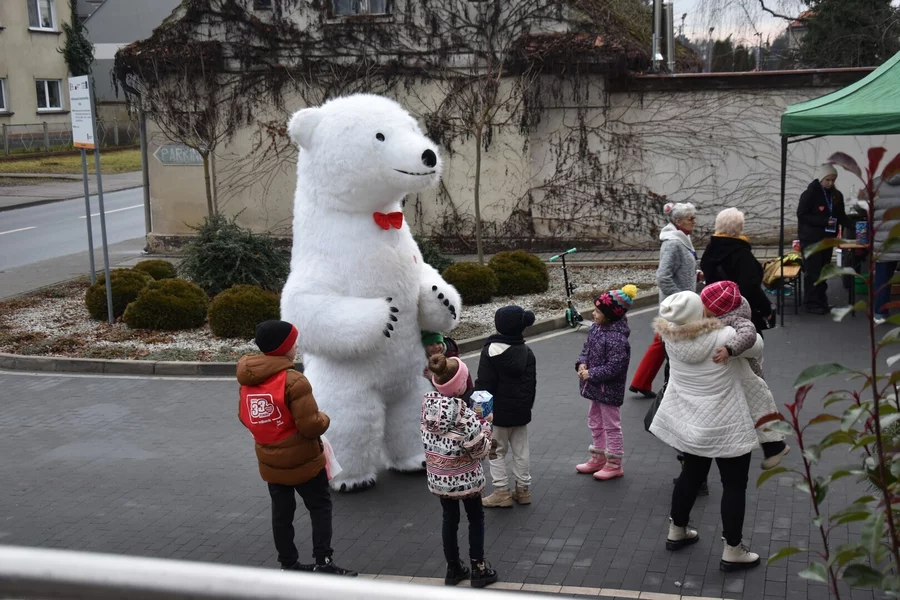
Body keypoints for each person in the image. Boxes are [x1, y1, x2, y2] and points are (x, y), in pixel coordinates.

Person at [649, 292, 762, 572]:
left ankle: (677, 530)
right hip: (728, 424)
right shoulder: (725, 336)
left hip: (693, 423)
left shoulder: (669, 337)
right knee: (734, 485)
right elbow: (756, 343)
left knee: (690, 475)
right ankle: (733, 550)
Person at [237, 320, 356, 576]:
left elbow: (245, 418)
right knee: (320, 506)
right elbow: (311, 426)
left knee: (282, 514)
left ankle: (288, 564)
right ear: (283, 347)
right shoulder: (294, 380)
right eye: (293, 342)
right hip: (303, 460)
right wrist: (325, 418)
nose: (296, 346)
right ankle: (323, 561)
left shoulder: (248, 379)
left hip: (270, 460)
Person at [424, 354, 499, 588]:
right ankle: (478, 567)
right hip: (466, 478)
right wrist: (486, 425)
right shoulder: (464, 415)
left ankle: (453, 568)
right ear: (460, 386)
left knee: (449, 519)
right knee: (475, 517)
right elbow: (480, 450)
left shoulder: (428, 408)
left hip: (440, 477)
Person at [700, 281, 790, 470]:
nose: (700, 307)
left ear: (717, 308)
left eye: (704, 304)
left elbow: (749, 334)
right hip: (738, 374)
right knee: (755, 410)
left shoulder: (736, 319)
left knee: (757, 409)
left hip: (748, 373)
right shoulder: (724, 314)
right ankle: (775, 447)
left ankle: (775, 447)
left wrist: (729, 349)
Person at [630, 202, 700, 398]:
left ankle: (641, 381)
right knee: (666, 341)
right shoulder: (673, 243)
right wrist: (680, 298)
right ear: (678, 221)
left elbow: (680, 269)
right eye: (690, 219)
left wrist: (696, 274)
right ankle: (651, 383)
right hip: (676, 305)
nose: (694, 222)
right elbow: (663, 276)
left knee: (661, 340)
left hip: (678, 303)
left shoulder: (682, 238)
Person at [476, 306, 537, 508]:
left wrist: (481, 412)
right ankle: (523, 489)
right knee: (521, 451)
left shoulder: (490, 351)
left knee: (495, 451)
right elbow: (531, 385)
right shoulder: (527, 352)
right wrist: (526, 408)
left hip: (497, 415)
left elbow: (484, 385)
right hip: (521, 413)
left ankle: (501, 491)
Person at [575, 286, 636, 480]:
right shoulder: (596, 328)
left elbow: (614, 367)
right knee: (594, 421)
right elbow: (586, 349)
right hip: (595, 386)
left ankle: (614, 463)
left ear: (610, 316)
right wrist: (582, 363)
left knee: (611, 426)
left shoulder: (618, 339)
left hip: (608, 390)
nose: (593, 314)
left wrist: (591, 374)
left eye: (598, 311)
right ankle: (599, 456)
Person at [701, 208, 773, 332]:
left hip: (714, 309)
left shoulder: (710, 249)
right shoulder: (742, 253)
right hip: (739, 312)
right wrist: (766, 309)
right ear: (739, 228)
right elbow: (752, 286)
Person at [797, 164, 850, 315]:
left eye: (833, 180)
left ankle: (821, 300)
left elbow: (841, 216)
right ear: (821, 178)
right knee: (813, 271)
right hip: (811, 239)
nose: (831, 183)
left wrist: (854, 224)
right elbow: (802, 215)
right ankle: (811, 302)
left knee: (823, 270)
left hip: (828, 239)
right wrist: (824, 221)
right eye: (828, 180)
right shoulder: (809, 194)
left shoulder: (836, 195)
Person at [871, 177, 900, 321]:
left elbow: (860, 205)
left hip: (883, 241)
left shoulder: (876, 183)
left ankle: (880, 314)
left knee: (882, 279)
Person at [422, 331, 473, 401]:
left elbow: (464, 377)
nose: (436, 347)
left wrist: (434, 377)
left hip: (458, 395)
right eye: (431, 344)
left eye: (438, 343)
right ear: (425, 347)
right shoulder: (422, 363)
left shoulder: (451, 355)